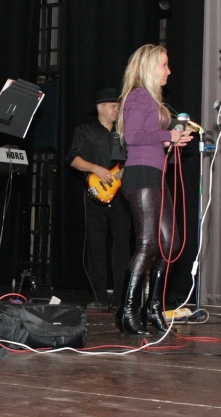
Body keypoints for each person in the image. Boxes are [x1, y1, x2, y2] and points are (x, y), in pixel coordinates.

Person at [116, 44, 192, 336]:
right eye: (164, 65)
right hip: (141, 175)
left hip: (156, 176)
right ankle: (126, 312)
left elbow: (149, 137)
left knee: (170, 243)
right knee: (148, 243)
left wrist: (170, 141)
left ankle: (153, 307)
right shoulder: (138, 96)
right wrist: (169, 134)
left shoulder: (152, 100)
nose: (168, 71)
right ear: (149, 67)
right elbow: (133, 136)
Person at [67, 87, 131, 310]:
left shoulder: (124, 133)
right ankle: (100, 297)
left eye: (118, 107)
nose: (117, 110)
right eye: (113, 106)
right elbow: (73, 159)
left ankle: (120, 298)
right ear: (100, 108)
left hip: (121, 198)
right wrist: (95, 168)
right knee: (96, 247)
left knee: (122, 247)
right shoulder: (85, 131)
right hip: (95, 195)